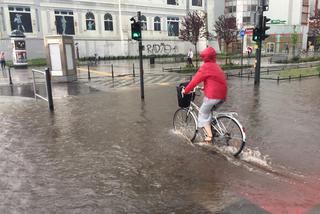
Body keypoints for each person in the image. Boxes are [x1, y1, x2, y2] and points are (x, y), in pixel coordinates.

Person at [182, 46, 227, 143]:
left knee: (202, 113)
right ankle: (213, 130)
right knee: (208, 112)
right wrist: (205, 88)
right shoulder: (216, 66)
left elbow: (194, 81)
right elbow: (215, 81)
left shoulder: (206, 67)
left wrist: (185, 91)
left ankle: (209, 137)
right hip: (222, 96)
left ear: (205, 57)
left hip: (213, 96)